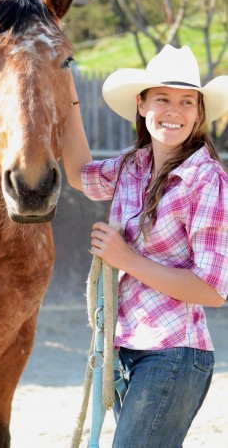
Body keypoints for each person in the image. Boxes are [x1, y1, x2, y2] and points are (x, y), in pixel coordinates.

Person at [62, 44, 228, 447]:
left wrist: (125, 259)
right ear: (141, 105)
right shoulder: (131, 166)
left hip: (174, 353)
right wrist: (64, 87)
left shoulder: (207, 181)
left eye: (187, 101)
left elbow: (212, 290)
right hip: (125, 349)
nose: (174, 111)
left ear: (199, 112)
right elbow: (78, 175)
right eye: (163, 99)